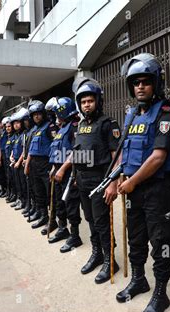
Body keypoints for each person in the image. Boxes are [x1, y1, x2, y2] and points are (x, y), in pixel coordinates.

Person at [113, 53, 170, 312]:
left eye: (146, 82)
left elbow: (158, 157)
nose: (140, 86)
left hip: (156, 190)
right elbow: (123, 151)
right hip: (132, 189)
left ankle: (161, 293)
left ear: (156, 84)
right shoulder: (131, 117)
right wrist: (119, 176)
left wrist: (131, 182)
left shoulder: (164, 113)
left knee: (161, 240)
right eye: (136, 83)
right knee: (136, 238)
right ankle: (139, 279)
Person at [56, 78, 121, 284]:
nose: (86, 105)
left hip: (100, 180)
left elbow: (115, 156)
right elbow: (78, 154)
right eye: (83, 102)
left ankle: (111, 260)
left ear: (97, 101)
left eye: (90, 101)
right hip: (82, 180)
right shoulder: (81, 125)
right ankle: (97, 254)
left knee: (102, 222)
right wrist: (72, 173)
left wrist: (113, 182)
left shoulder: (107, 124)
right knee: (91, 220)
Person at [50, 97, 83, 251]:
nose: (55, 115)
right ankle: (63, 229)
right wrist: (54, 168)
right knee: (59, 202)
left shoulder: (74, 126)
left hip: (69, 172)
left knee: (71, 204)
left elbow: (77, 152)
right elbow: (58, 150)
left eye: (57, 112)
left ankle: (75, 236)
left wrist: (63, 169)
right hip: (58, 172)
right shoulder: (63, 127)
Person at [24, 100, 58, 230]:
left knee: (50, 194)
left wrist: (54, 166)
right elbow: (31, 150)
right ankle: (43, 216)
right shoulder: (34, 130)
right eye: (34, 115)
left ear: (43, 114)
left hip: (46, 164)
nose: (36, 116)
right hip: (34, 165)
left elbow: (56, 146)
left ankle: (53, 220)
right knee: (39, 193)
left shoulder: (50, 127)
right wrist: (27, 165)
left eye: (38, 114)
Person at [10, 109, 29, 211]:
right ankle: (20, 200)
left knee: (23, 184)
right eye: (14, 123)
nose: (16, 125)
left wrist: (18, 162)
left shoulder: (24, 134)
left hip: (21, 163)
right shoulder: (16, 135)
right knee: (17, 183)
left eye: (18, 123)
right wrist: (12, 157)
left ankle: (26, 203)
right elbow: (14, 148)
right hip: (15, 162)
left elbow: (24, 150)